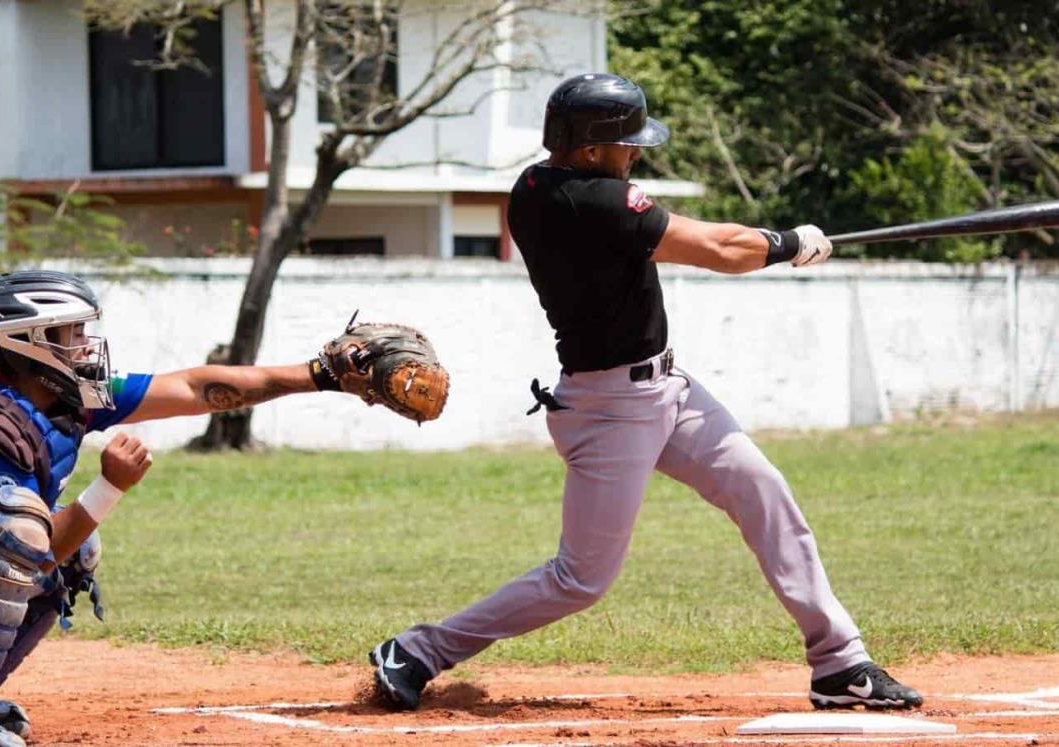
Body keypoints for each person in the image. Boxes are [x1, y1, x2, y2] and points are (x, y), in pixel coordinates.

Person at [369, 73, 923, 713]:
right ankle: (417, 651)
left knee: (764, 493)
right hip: (612, 410)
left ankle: (840, 663)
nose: (636, 153)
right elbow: (717, 247)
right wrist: (790, 243)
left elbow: (686, 231)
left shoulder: (537, 186)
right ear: (588, 148)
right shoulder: (590, 201)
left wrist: (771, 243)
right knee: (580, 580)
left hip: (670, 390)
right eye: (626, 143)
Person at [0, 270, 361, 746]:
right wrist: (108, 487)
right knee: (19, 532)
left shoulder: (69, 402)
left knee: (72, 546)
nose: (88, 345)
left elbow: (195, 388)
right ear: (32, 341)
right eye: (73, 334)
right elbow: (37, 551)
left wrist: (321, 376)